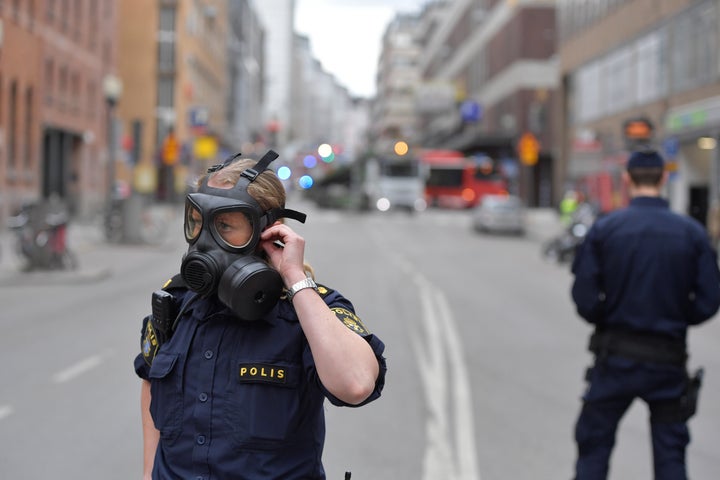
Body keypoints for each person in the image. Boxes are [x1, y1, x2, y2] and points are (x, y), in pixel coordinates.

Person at [133, 150, 387, 480]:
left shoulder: (309, 310)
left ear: (268, 230)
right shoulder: (178, 302)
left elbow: (355, 385)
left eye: (224, 225)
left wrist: (295, 278)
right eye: (196, 222)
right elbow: (151, 383)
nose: (204, 239)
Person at [570, 149, 720, 480]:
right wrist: (679, 316)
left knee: (593, 452)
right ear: (663, 178)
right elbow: (710, 300)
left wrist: (607, 315)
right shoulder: (692, 233)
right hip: (668, 360)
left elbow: (583, 298)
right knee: (670, 458)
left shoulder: (606, 229)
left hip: (614, 360)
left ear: (627, 179)